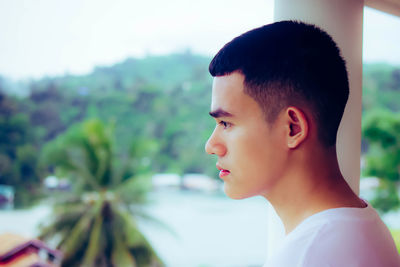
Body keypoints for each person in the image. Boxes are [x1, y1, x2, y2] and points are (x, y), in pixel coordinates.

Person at [205, 20, 400, 267]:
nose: (211, 146)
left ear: (293, 128)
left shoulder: (310, 255)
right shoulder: (364, 227)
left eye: (225, 123)